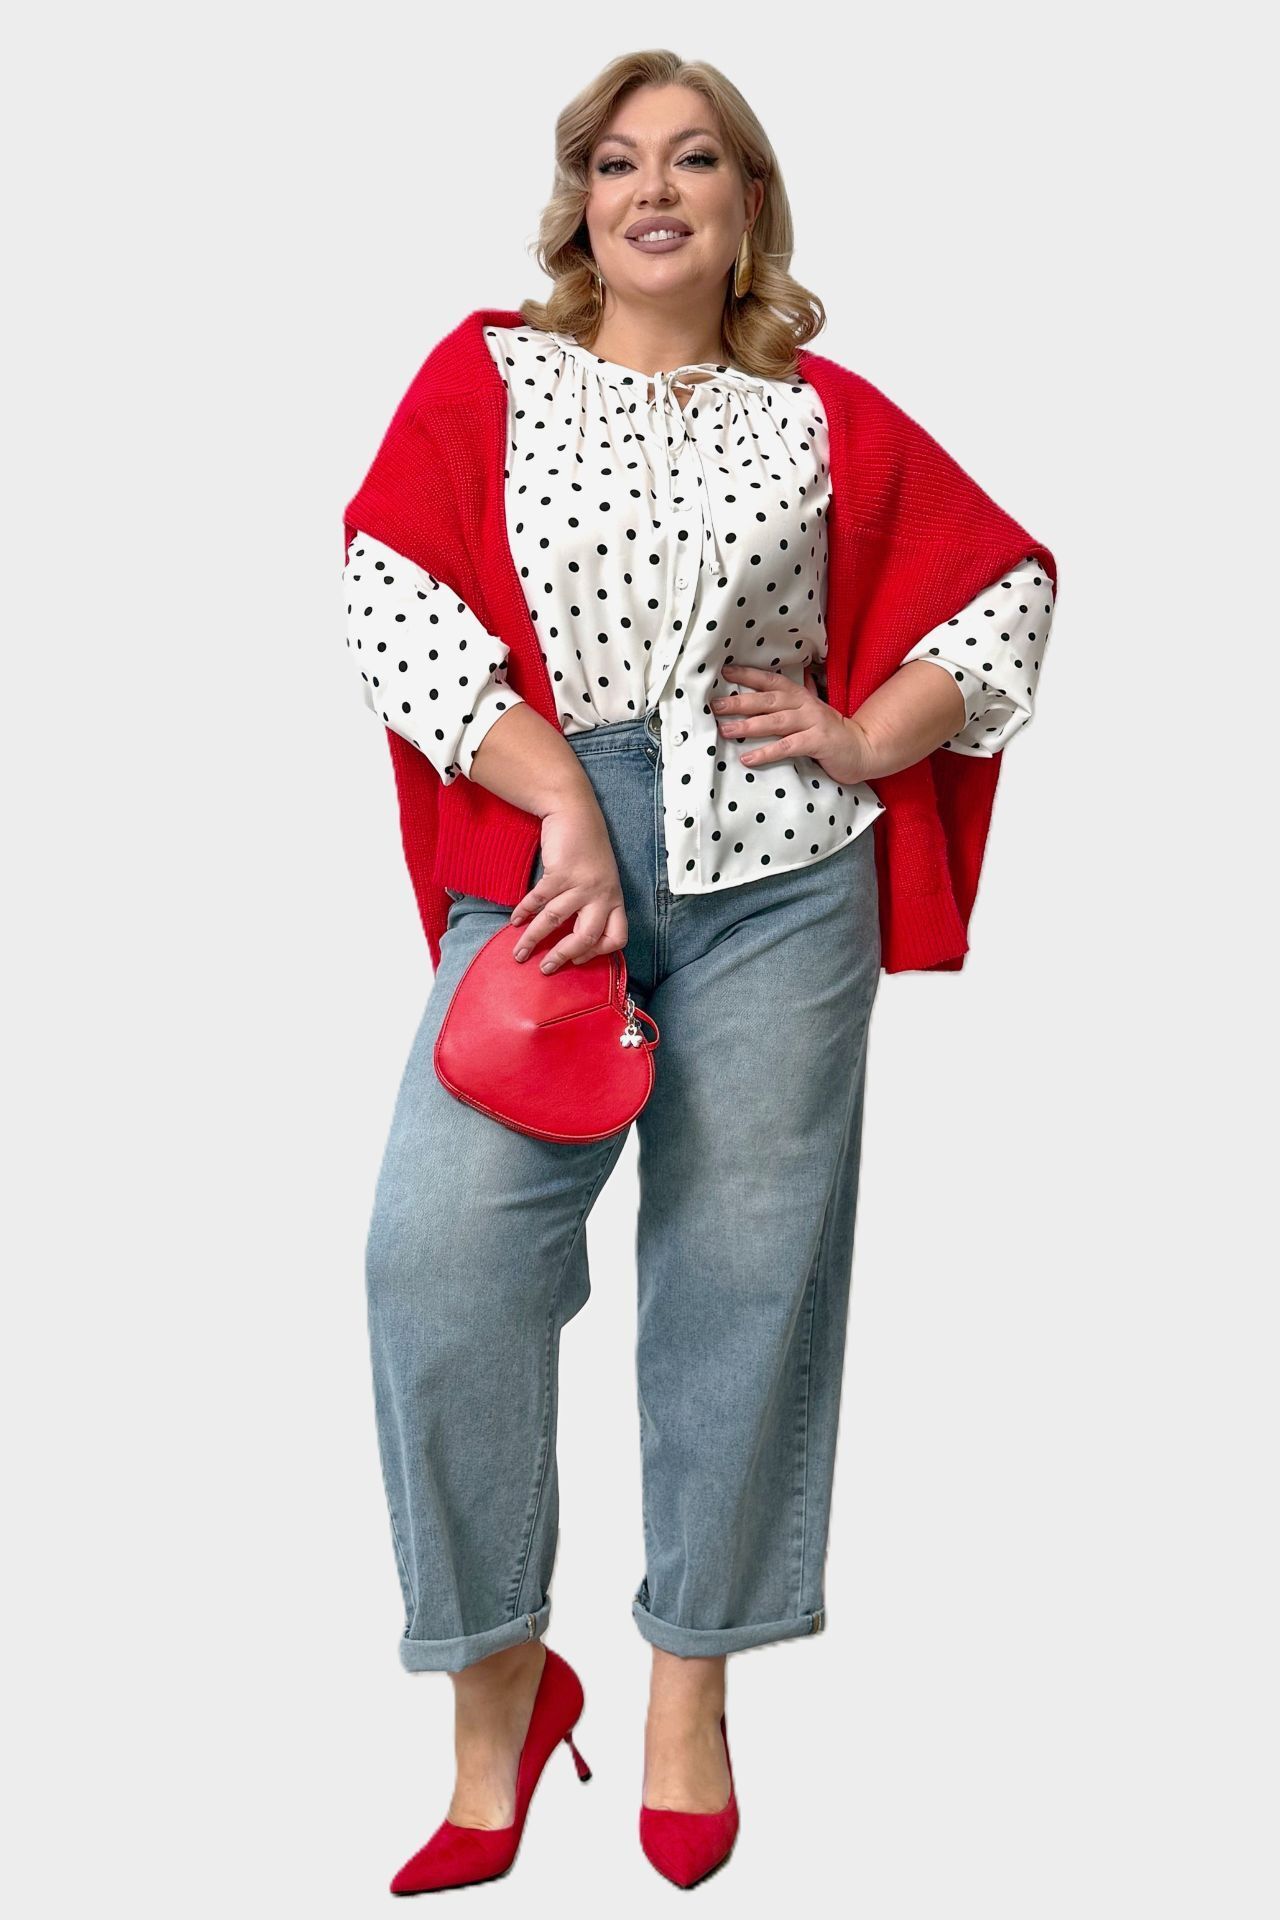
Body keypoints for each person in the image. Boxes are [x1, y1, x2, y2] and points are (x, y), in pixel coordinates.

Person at [341, 49, 1057, 1895]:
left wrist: (866, 736)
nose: (653, 188)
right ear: (580, 205)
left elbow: (1006, 591)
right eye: (617, 161)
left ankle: (689, 1694)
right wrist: (559, 804)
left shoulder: (821, 417)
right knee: (438, 1255)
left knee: (743, 1283)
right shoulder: (488, 377)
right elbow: (389, 597)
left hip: (782, 880)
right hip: (551, 866)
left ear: (748, 208)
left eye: (695, 159)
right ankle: (501, 1688)